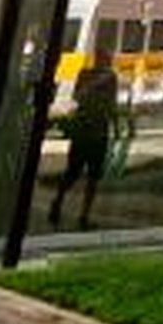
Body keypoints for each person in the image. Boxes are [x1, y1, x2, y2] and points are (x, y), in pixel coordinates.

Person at [48, 54, 120, 230]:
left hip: (84, 132)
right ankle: (83, 215)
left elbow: (77, 99)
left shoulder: (85, 75)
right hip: (97, 133)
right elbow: (111, 105)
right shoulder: (110, 78)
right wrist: (116, 127)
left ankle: (59, 203)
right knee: (91, 178)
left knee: (73, 173)